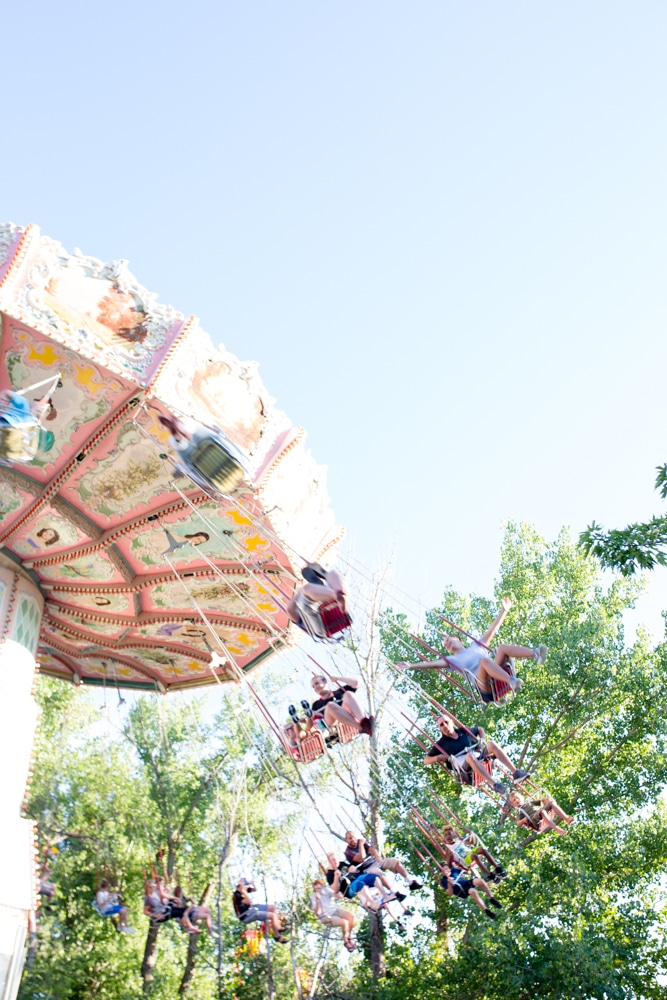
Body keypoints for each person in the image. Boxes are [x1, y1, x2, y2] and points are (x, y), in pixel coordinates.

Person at [398, 597, 547, 702]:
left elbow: (492, 630)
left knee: (501, 648)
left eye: (449, 640)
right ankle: (512, 681)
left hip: (494, 673)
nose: (447, 644)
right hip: (484, 686)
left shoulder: (476, 645)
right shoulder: (452, 660)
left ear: (458, 639)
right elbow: (432, 664)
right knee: (484, 661)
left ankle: (536, 654)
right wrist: (411, 666)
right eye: (446, 646)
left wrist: (504, 611)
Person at [424, 713, 530, 796]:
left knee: (491, 744)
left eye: (446, 722)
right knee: (470, 756)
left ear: (451, 722)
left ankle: (515, 772)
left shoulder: (463, 731)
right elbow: (426, 760)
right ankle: (494, 785)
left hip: (477, 756)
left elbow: (480, 729)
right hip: (466, 769)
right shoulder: (441, 744)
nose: (445, 726)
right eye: (441, 725)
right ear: (440, 729)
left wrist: (481, 741)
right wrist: (438, 757)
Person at [286, 564, 351, 639]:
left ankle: (336, 594)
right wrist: (300, 591)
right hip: (328, 621)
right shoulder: (300, 619)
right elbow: (289, 610)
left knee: (310, 589)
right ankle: (339, 593)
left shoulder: (300, 619)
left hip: (324, 622)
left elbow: (290, 610)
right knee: (330, 575)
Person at [342, 832, 422, 890]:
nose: (352, 839)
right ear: (347, 840)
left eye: (353, 837)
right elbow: (362, 857)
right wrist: (360, 845)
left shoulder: (361, 842)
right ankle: (393, 892)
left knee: (394, 861)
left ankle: (410, 881)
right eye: (350, 838)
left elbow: (371, 849)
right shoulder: (348, 852)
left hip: (375, 862)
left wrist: (377, 856)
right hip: (367, 869)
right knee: (380, 874)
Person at [306, 674, 375, 737]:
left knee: (348, 694)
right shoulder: (316, 704)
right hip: (331, 722)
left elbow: (355, 683)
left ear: (325, 682)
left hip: (345, 713)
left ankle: (364, 721)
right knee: (330, 705)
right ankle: (361, 727)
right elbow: (313, 724)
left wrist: (337, 678)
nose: (315, 688)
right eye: (313, 687)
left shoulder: (340, 692)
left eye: (317, 683)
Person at [0, 390, 56, 465]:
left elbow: (7, 393)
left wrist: (4, 396)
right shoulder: (27, 444)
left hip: (5, 426)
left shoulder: (27, 412)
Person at [440, 826, 506, 883]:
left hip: (470, 852)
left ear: (453, 834)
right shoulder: (448, 848)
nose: (448, 836)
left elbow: (472, 842)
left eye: (449, 834)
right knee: (474, 856)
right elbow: (449, 864)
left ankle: (498, 869)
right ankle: (489, 875)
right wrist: (450, 856)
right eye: (446, 835)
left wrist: (471, 833)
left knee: (481, 849)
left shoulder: (459, 840)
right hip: (465, 860)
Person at [438, 863, 502, 920]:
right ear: (442, 873)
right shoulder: (444, 880)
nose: (447, 871)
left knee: (480, 881)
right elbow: (449, 893)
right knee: (473, 891)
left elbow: (468, 872)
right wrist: (449, 883)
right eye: (444, 870)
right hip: (461, 891)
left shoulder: (453, 870)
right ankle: (487, 910)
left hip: (466, 883)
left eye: (447, 868)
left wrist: (465, 870)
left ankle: (492, 898)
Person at [310, 879, 357, 952]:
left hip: (335, 910)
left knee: (352, 917)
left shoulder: (326, 890)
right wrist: (317, 901)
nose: (317, 890)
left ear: (322, 887)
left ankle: (350, 936)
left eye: (319, 888)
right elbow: (317, 913)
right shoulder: (313, 897)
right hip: (325, 917)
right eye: (315, 889)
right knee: (344, 922)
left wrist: (338, 889)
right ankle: (345, 940)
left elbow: (338, 896)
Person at [508, 790, 574, 835]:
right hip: (534, 819)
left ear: (522, 797)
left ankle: (567, 819)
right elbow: (518, 823)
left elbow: (541, 801)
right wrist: (523, 820)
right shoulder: (519, 811)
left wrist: (546, 800)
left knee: (551, 803)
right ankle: (558, 830)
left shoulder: (530, 803)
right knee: (542, 811)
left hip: (540, 813)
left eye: (517, 798)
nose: (516, 800)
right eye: (514, 800)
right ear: (513, 804)